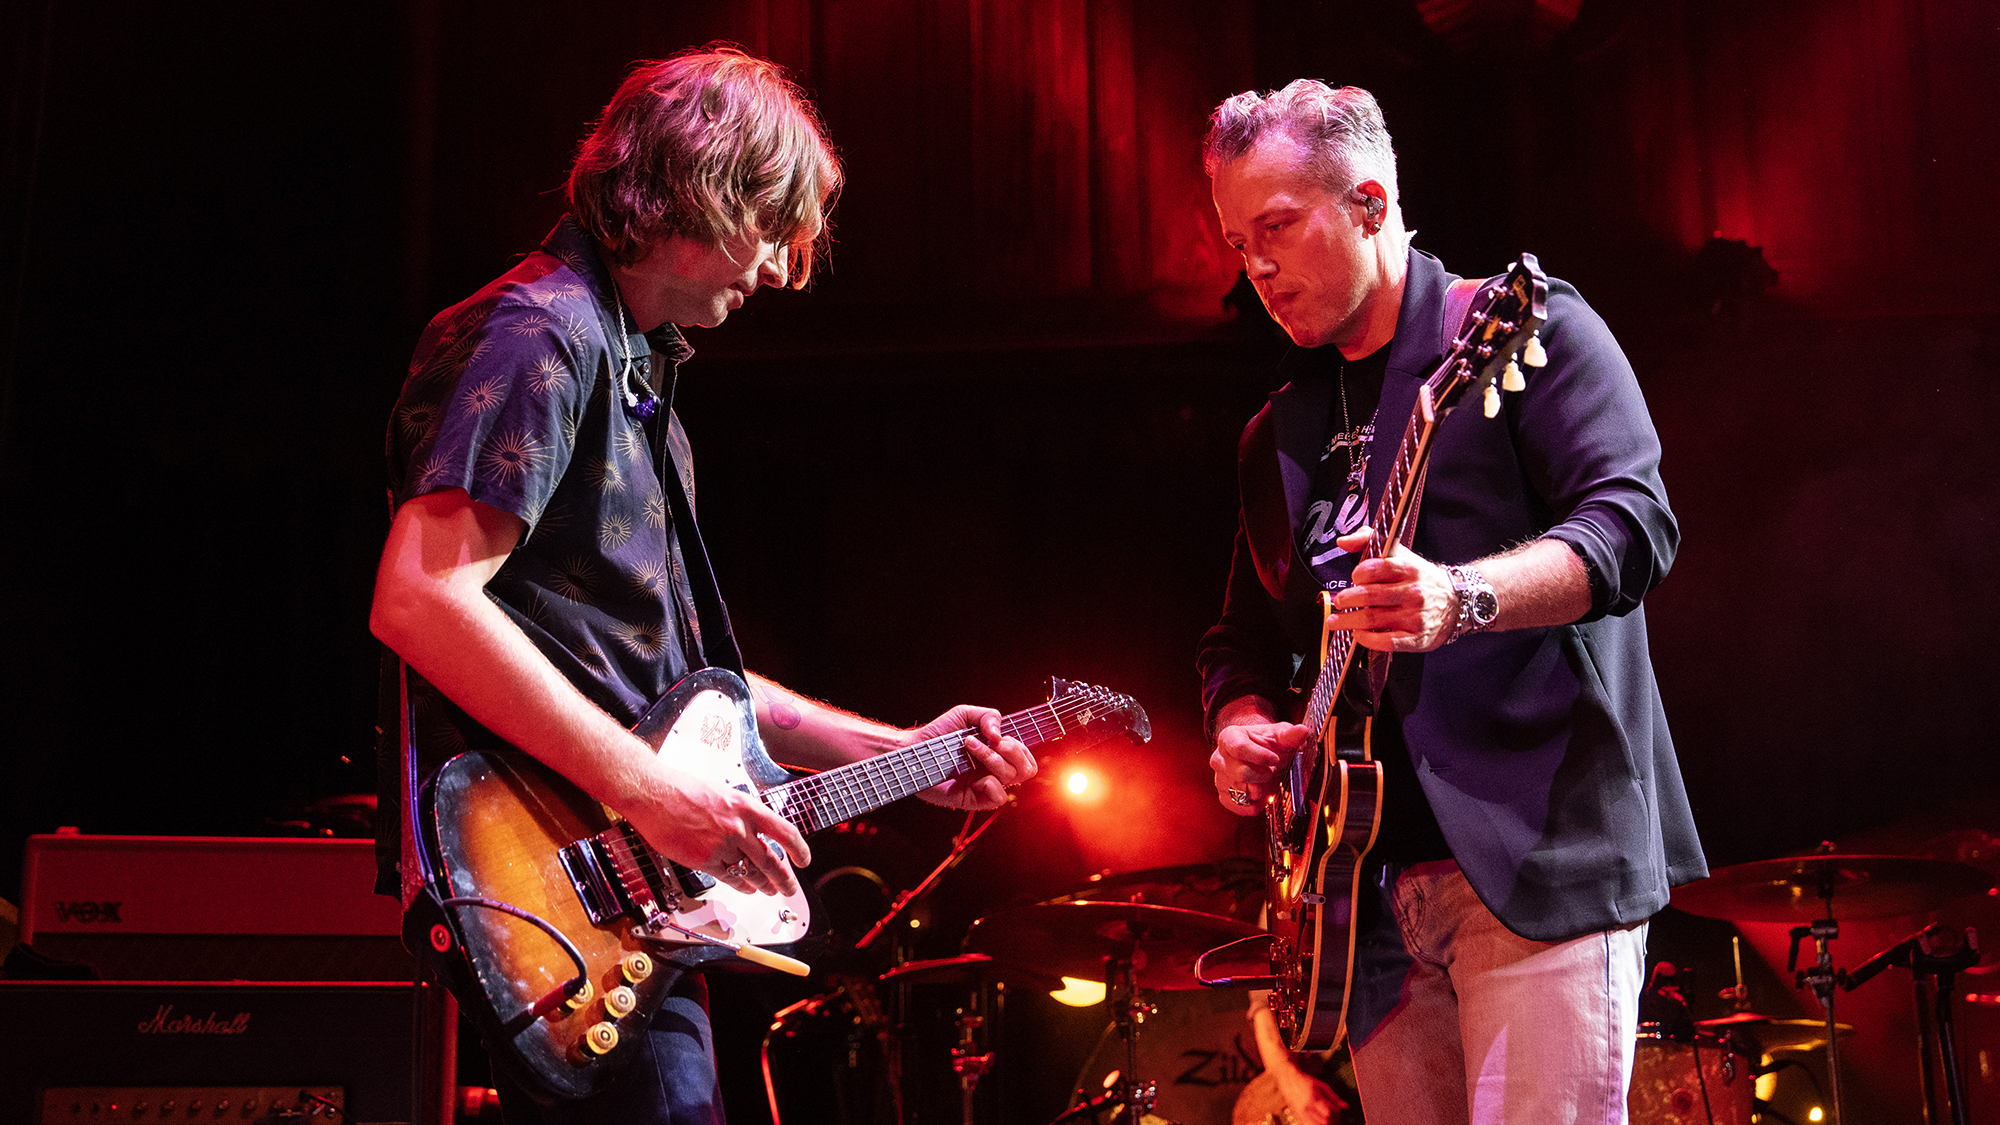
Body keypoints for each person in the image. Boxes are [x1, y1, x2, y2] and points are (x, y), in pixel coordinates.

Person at [369, 47, 1037, 1124]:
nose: (779, 271)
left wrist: (901, 755)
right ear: (698, 188)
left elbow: (693, 690)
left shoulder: (639, 387)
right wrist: (650, 793)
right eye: (772, 228)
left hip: (632, 891)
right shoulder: (538, 332)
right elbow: (419, 599)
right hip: (565, 880)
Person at [1196, 81, 1706, 1124]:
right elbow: (1237, 638)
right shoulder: (1273, 434)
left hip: (1538, 855)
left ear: (1371, 204)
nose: (1254, 267)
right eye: (1236, 240)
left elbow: (1631, 527)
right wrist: (1240, 723)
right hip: (1362, 903)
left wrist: (1461, 598)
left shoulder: (1519, 330)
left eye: (1278, 228)